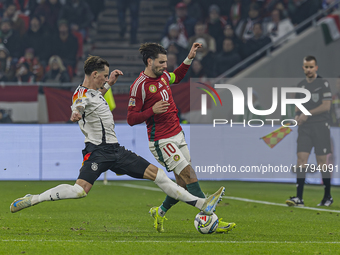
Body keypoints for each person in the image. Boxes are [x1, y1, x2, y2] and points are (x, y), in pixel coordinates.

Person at [10, 56, 225, 224]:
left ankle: (202, 204)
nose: (105, 78)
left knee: (159, 176)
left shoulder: (94, 92)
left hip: (117, 151)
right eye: (103, 76)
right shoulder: (80, 95)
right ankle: (35, 198)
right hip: (98, 152)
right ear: (94, 74)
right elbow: (80, 104)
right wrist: (75, 113)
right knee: (79, 191)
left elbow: (96, 96)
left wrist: (109, 84)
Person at [127, 42, 236, 233]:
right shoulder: (140, 86)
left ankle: (159, 212)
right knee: (189, 174)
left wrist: (190, 57)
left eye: (166, 62)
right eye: (161, 62)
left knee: (182, 183)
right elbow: (130, 119)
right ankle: (211, 219)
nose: (165, 66)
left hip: (178, 134)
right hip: (162, 140)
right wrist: (151, 110)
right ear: (150, 61)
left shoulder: (163, 77)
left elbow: (177, 76)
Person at [286, 56, 333, 207]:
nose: (309, 70)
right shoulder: (300, 86)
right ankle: (299, 198)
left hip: (320, 126)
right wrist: (297, 116)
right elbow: (297, 107)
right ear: (303, 68)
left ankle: (327, 196)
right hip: (305, 128)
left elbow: (326, 106)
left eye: (311, 67)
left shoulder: (323, 84)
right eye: (306, 67)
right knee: (301, 160)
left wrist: (307, 114)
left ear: (316, 67)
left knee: (321, 162)